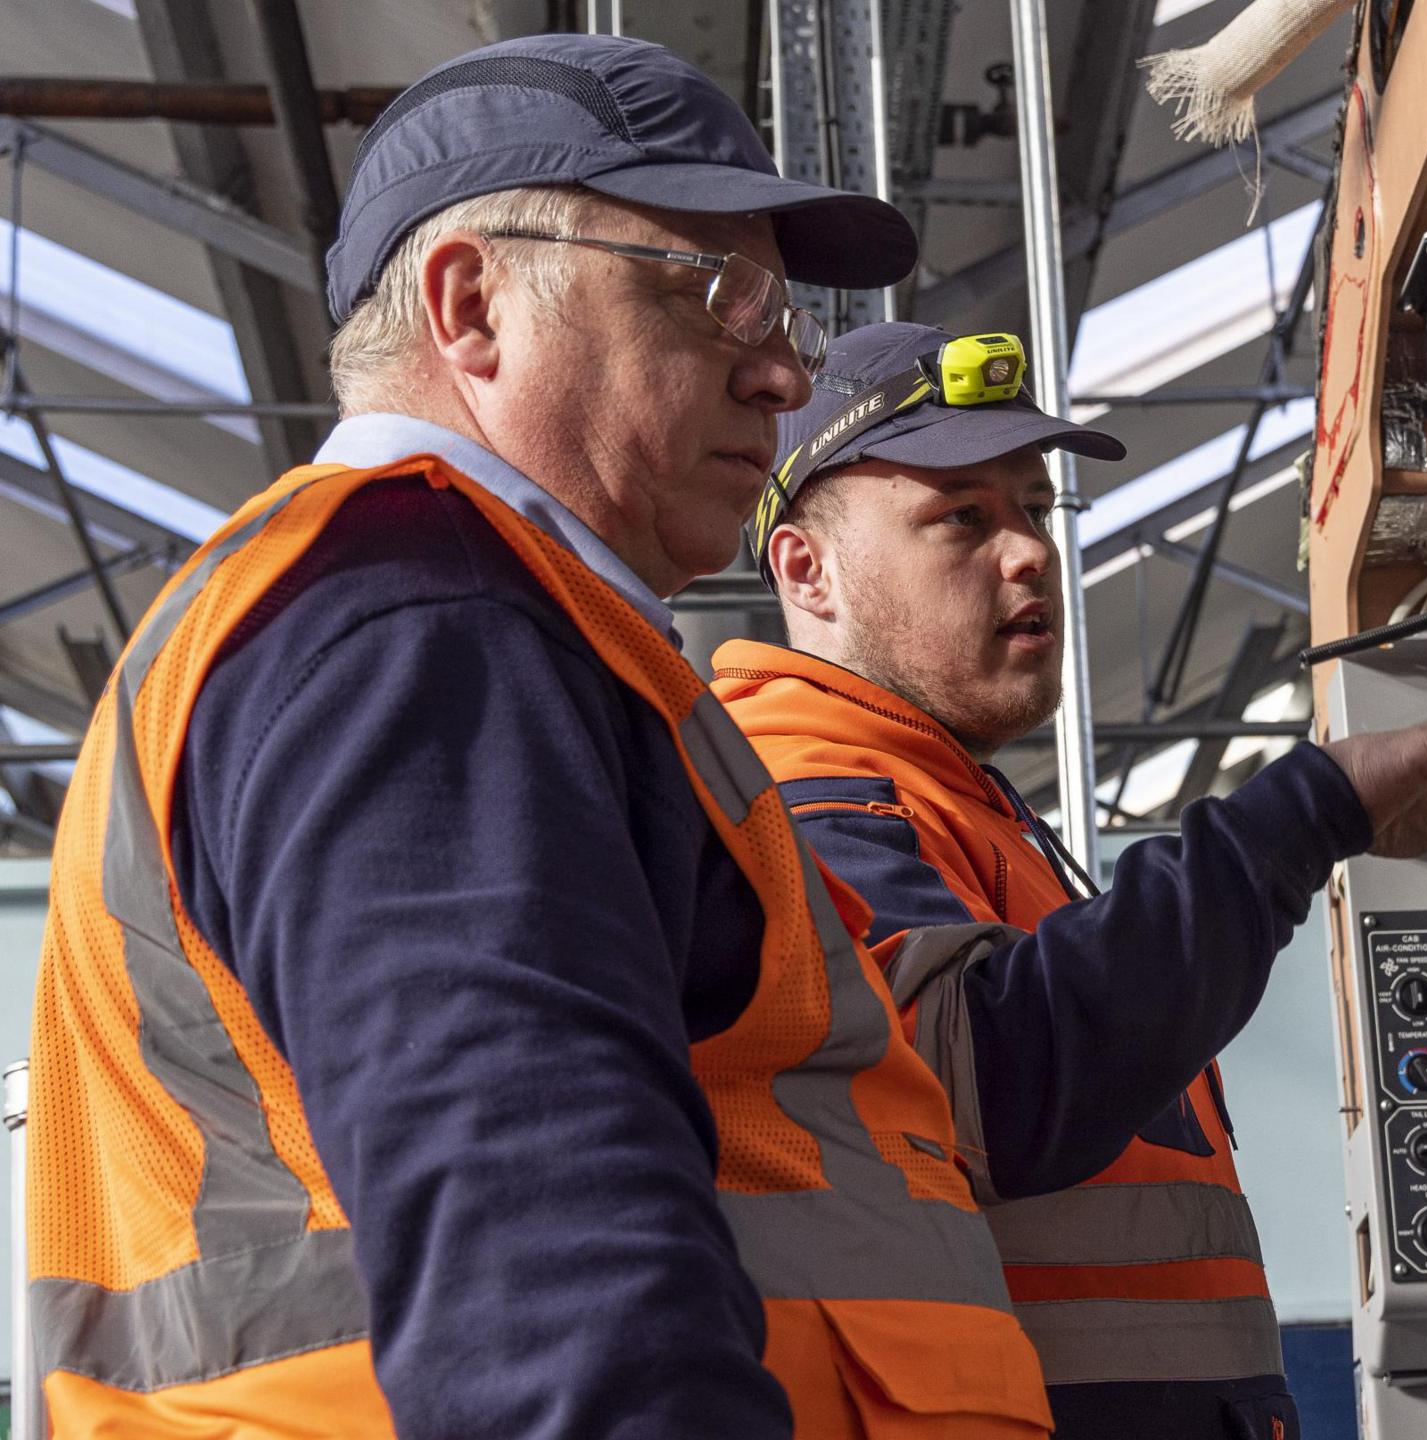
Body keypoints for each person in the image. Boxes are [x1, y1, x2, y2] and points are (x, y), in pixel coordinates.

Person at [25, 36, 1052, 1440]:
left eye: (787, 323)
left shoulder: (415, 614)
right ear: (473, 305)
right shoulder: (420, 620)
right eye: (719, 296)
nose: (783, 378)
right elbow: (547, 1273)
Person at [714, 322, 1427, 1439]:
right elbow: (999, 1085)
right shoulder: (803, 791)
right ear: (805, 568)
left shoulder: (951, 801)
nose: (1026, 551)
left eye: (1032, 507)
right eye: (961, 517)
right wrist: (1303, 815)